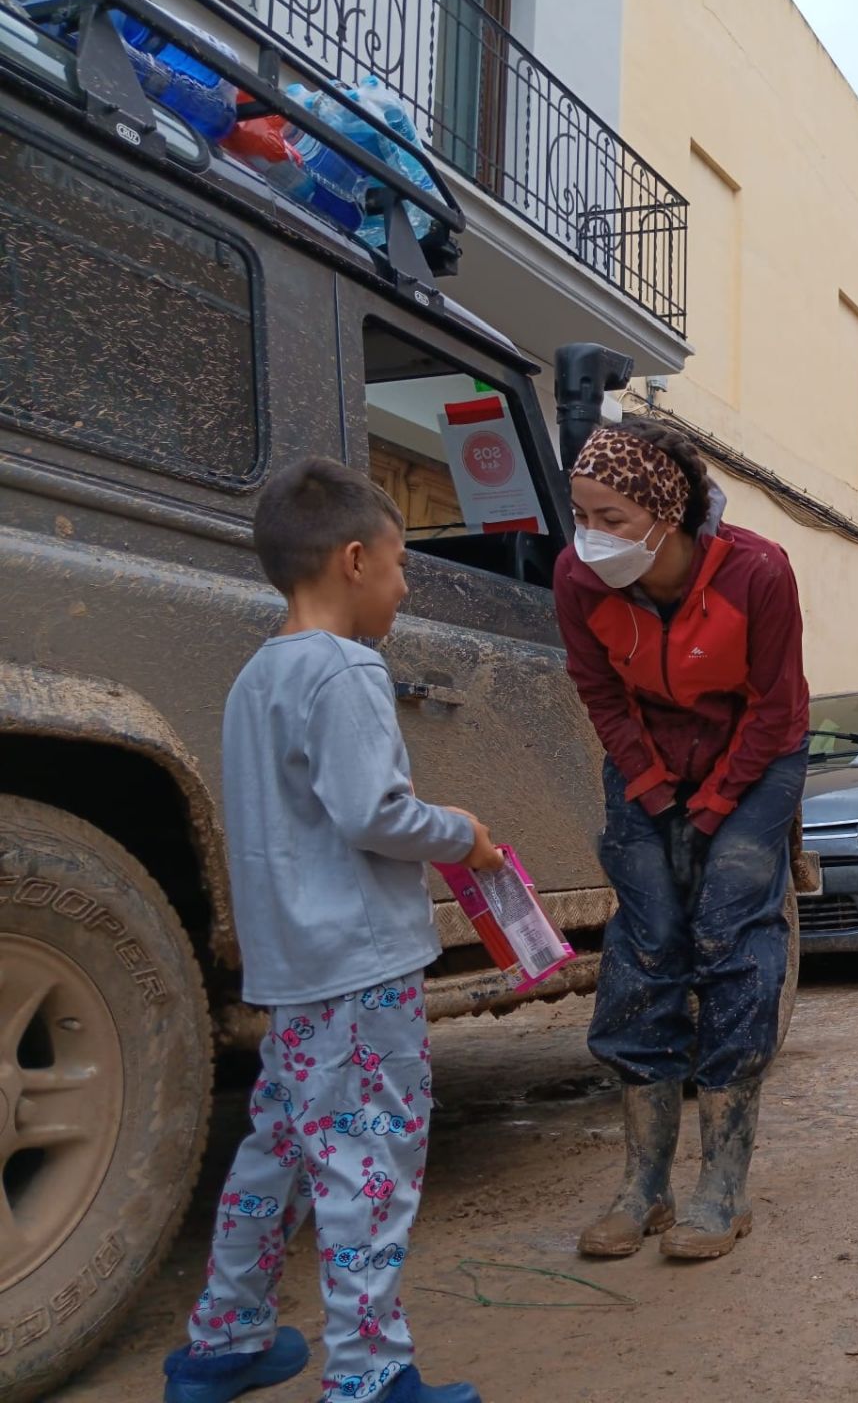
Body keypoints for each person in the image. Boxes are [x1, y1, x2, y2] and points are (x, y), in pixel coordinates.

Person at [163, 460, 497, 1403]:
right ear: (353, 560)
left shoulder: (254, 679)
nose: (403, 586)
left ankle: (224, 1343)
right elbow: (373, 814)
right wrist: (460, 836)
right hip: (358, 970)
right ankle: (369, 1374)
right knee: (369, 1164)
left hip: (291, 970)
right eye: (398, 565)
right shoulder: (348, 669)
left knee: (279, 1148)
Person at [557, 420, 808, 1260]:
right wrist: (657, 794)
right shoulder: (578, 579)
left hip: (756, 756)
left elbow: (775, 707)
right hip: (652, 760)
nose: (591, 535)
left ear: (669, 516)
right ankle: (645, 1187)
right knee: (647, 940)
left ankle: (723, 1188)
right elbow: (601, 697)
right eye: (580, 512)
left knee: (729, 928)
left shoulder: (758, 571)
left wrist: (710, 814)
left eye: (612, 517)